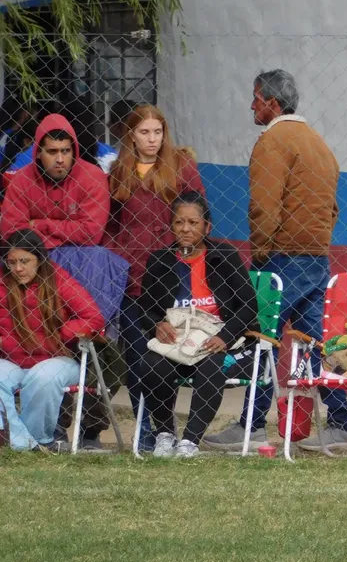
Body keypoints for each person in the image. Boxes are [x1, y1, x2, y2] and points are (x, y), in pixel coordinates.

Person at [203, 69, 347, 453]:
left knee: (262, 340)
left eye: (256, 98)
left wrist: (260, 253)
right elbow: (332, 207)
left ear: (272, 103)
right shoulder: (318, 143)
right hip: (316, 255)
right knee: (314, 342)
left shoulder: (272, 142)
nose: (252, 105)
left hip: (281, 256)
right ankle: (343, 424)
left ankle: (252, 426)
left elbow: (264, 205)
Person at [108, 104, 205, 453]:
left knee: (165, 358)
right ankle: (144, 429)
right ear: (131, 135)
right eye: (144, 132)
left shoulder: (182, 168)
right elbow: (111, 225)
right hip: (132, 279)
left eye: (158, 132)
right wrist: (117, 258)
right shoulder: (119, 171)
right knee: (137, 358)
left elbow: (200, 219)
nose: (152, 139)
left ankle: (165, 426)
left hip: (172, 276)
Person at [135, 192, 259, 458]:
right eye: (179, 222)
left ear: (207, 227)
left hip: (220, 341)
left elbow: (248, 305)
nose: (186, 229)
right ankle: (165, 435)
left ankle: (190, 441)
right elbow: (144, 307)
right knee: (152, 363)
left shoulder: (225, 256)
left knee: (212, 365)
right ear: (171, 226)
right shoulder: (160, 260)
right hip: (178, 341)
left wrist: (225, 336)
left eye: (193, 223)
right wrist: (157, 324)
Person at [0, 229, 104, 450]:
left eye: (25, 261)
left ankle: (37, 439)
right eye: (12, 262)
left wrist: (59, 335)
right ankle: (23, 444)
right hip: (12, 360)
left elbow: (93, 318)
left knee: (43, 377)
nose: (18, 268)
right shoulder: (2, 283)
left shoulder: (59, 280)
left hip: (57, 359)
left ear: (39, 259)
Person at [0, 113, 110, 248]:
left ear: (74, 151)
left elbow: (91, 234)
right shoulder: (22, 179)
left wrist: (41, 225)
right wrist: (67, 235)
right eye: (52, 152)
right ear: (38, 153)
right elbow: (12, 233)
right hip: (35, 257)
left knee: (99, 255)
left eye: (66, 151)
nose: (60, 160)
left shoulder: (93, 177)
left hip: (81, 254)